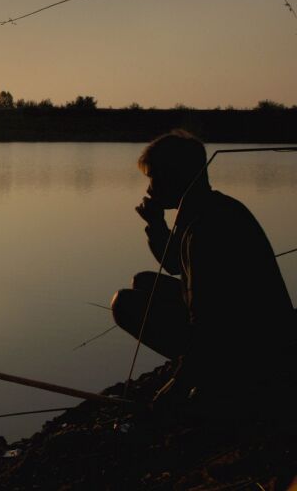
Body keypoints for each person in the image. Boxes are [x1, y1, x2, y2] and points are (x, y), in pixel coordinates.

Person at [111, 130, 295, 409]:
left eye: (153, 178)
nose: (149, 188)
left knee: (124, 304)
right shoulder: (209, 207)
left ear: (174, 177)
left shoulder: (205, 226)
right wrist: (156, 224)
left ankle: (222, 376)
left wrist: (175, 387)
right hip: (244, 322)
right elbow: (175, 264)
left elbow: (206, 320)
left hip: (251, 344)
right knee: (143, 282)